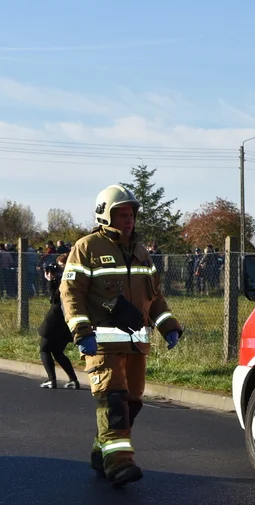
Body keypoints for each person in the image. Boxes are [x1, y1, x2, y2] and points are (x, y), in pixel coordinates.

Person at [60, 184, 184, 488]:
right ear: (106, 215)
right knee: (113, 400)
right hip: (100, 343)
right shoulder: (87, 247)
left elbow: (155, 298)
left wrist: (169, 326)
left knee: (131, 402)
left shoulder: (142, 253)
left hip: (136, 344)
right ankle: (119, 463)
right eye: (121, 214)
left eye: (131, 214)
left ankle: (101, 449)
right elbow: (70, 292)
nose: (128, 220)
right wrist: (81, 330)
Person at [38, 253, 80, 390]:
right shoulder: (78, 277)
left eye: (61, 266)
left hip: (56, 319)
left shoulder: (66, 279)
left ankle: (52, 380)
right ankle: (73, 380)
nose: (59, 270)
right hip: (68, 319)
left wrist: (50, 281)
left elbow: (54, 299)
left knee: (44, 349)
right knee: (57, 351)